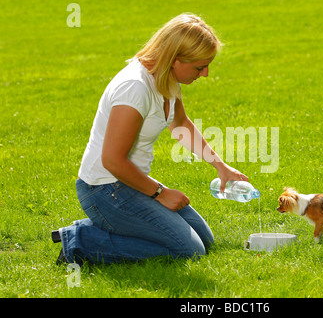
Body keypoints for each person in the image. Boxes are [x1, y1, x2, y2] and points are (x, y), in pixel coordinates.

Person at [52, 13, 248, 264]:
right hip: (104, 190)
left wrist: (220, 165)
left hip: (129, 184)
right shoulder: (134, 88)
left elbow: (179, 125)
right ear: (175, 59)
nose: (206, 74)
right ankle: (81, 240)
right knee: (189, 251)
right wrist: (160, 193)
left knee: (204, 240)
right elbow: (112, 160)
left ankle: (110, 228)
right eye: (200, 67)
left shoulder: (167, 78)